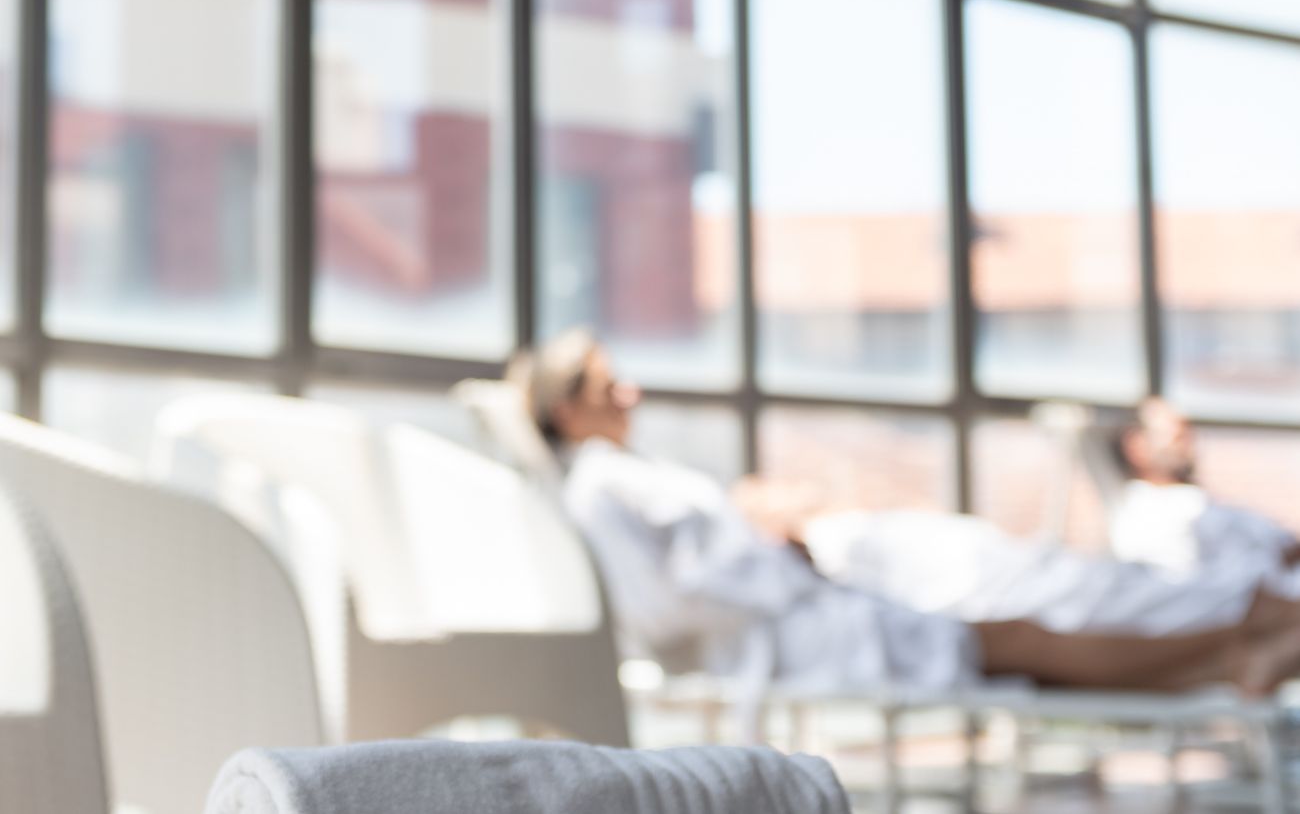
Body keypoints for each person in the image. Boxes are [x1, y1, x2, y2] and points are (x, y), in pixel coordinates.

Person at [508, 329, 1300, 699]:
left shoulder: (627, 475)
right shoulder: (601, 489)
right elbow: (667, 608)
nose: (631, 394)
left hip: (822, 602)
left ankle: (1239, 644)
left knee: (1037, 627)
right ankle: (1239, 638)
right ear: (566, 411)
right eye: (608, 387)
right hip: (796, 636)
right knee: (1028, 637)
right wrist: (778, 558)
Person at [1109, 397, 1300, 586]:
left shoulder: (1196, 499)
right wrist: (1281, 559)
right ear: (1136, 446)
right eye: (1177, 437)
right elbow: (1190, 589)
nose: (1188, 446)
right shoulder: (1146, 516)